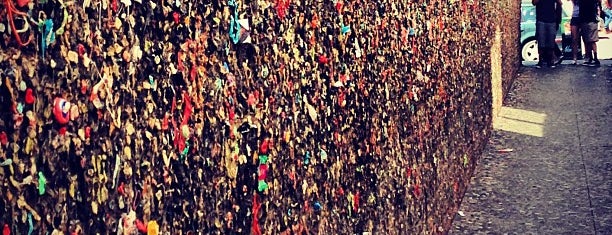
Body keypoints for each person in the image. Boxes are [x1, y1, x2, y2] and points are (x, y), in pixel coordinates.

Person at [533, 0, 563, 68]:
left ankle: (550, 61)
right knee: (541, 41)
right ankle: (540, 61)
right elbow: (534, 3)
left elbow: (560, 3)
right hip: (541, 20)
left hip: (552, 20)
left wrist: (558, 19)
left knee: (551, 42)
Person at [580, 0, 601, 66]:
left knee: (588, 41)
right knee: (592, 41)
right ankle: (594, 58)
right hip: (592, 20)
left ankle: (591, 58)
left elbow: (581, 11)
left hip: (585, 21)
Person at [570, 0, 582, 65]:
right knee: (574, 38)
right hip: (575, 16)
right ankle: (574, 58)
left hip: (583, 16)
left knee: (586, 38)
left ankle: (588, 57)